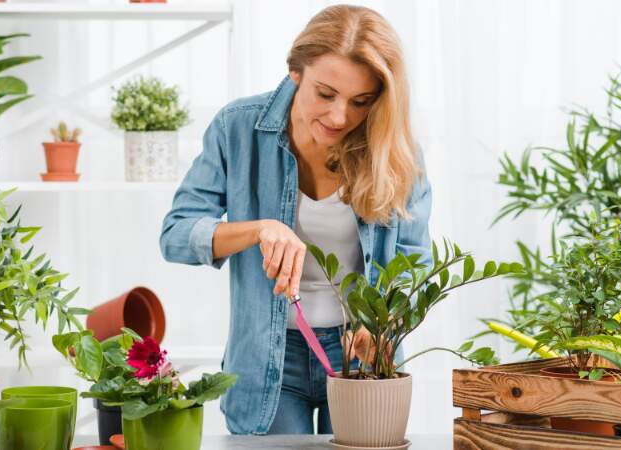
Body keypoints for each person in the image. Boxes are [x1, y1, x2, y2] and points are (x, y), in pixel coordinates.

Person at [159, 4, 431, 435]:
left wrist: (387, 324)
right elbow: (176, 235)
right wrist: (259, 228)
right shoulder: (238, 128)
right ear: (295, 71)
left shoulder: (393, 150)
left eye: (361, 102)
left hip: (360, 357)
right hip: (269, 360)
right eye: (326, 94)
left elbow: (415, 262)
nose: (341, 117)